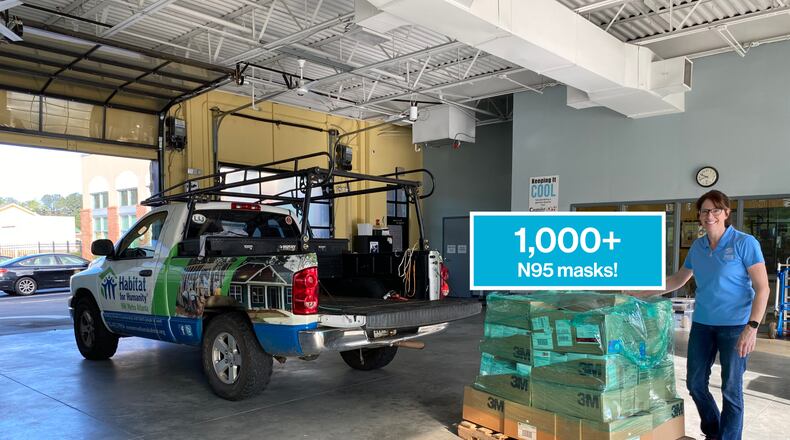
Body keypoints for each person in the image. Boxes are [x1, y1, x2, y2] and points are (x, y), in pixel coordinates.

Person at [629, 190, 769, 440]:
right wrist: (640, 293)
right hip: (703, 325)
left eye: (715, 210)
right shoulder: (698, 246)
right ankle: (714, 432)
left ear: (726, 213)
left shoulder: (744, 243)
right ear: (700, 216)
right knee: (695, 384)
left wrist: (753, 327)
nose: (710, 215)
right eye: (705, 211)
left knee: (731, 389)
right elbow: (677, 280)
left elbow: (762, 288)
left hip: (736, 327)